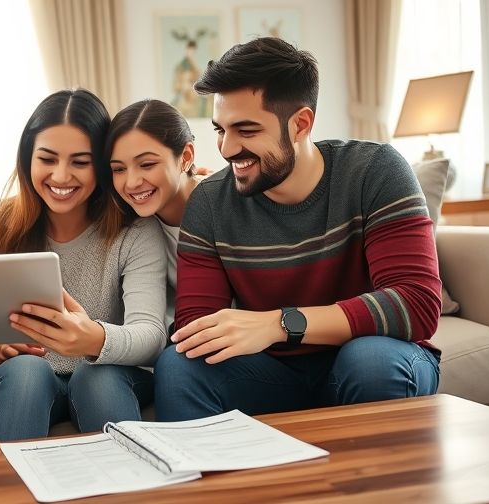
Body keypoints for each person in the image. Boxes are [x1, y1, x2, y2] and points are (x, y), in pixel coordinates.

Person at [154, 37, 442, 421]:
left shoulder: (375, 170)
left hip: (374, 355)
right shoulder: (209, 202)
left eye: (246, 130)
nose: (226, 148)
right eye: (221, 130)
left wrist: (280, 324)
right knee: (181, 364)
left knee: (370, 361)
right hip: (273, 375)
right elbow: (197, 328)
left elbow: (416, 303)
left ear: (300, 124)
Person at [0, 89, 167, 442]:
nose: (61, 176)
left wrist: (94, 340)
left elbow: (151, 335)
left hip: (105, 374)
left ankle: (133, 475)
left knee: (97, 376)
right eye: (47, 159)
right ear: (27, 160)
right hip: (21, 379)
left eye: (80, 162)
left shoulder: (135, 230)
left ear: (102, 165)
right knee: (27, 371)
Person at [106, 98, 198, 330]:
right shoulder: (134, 227)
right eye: (119, 169)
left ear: (186, 157)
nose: (132, 182)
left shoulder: (222, 205)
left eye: (146, 164)